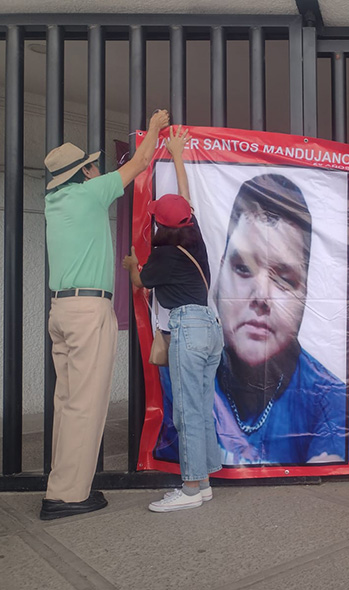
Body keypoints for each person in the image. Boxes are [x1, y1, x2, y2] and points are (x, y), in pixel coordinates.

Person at [152, 173, 348, 466]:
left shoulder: (331, 402)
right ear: (218, 277)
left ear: (306, 293)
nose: (261, 296)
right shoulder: (178, 369)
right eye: (243, 268)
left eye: (284, 279)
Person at [40, 109, 170, 521]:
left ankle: (61, 485)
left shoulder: (54, 202)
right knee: (85, 405)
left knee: (67, 403)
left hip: (61, 310)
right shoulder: (88, 193)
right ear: (84, 173)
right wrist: (155, 128)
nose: (98, 170)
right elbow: (140, 162)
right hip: (87, 310)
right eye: (92, 166)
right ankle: (67, 496)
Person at [123, 127, 224, 512]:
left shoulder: (164, 256)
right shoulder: (193, 236)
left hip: (188, 329)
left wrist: (133, 264)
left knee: (186, 410)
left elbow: (140, 282)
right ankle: (204, 482)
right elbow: (185, 198)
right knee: (200, 407)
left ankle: (190, 489)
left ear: (162, 226)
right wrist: (178, 155)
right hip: (211, 329)